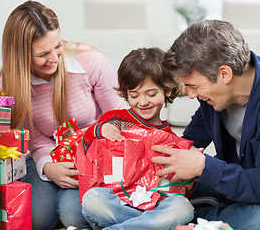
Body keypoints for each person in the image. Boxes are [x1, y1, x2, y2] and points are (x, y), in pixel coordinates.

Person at [151, 20, 260, 230]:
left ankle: (194, 220)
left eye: (193, 86)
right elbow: (192, 135)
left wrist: (201, 166)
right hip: (239, 176)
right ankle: (189, 216)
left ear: (224, 74)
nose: (191, 95)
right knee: (162, 185)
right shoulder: (213, 90)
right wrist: (167, 155)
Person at [0, 0, 127, 230]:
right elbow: (33, 140)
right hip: (45, 157)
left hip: (93, 155)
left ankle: (63, 207)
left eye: (57, 46)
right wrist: (48, 168)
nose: (55, 58)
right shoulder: (10, 84)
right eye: (43, 53)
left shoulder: (90, 61)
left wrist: (89, 150)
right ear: (21, 56)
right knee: (36, 219)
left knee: (74, 214)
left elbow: (118, 118)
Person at [81, 48, 194, 230]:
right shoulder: (113, 120)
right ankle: (150, 226)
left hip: (157, 204)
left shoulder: (171, 140)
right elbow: (86, 147)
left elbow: (180, 187)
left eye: (151, 94)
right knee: (92, 199)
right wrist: (97, 130)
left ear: (167, 91)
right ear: (126, 93)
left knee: (183, 208)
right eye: (134, 95)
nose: (142, 102)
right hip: (118, 201)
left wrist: (189, 183)